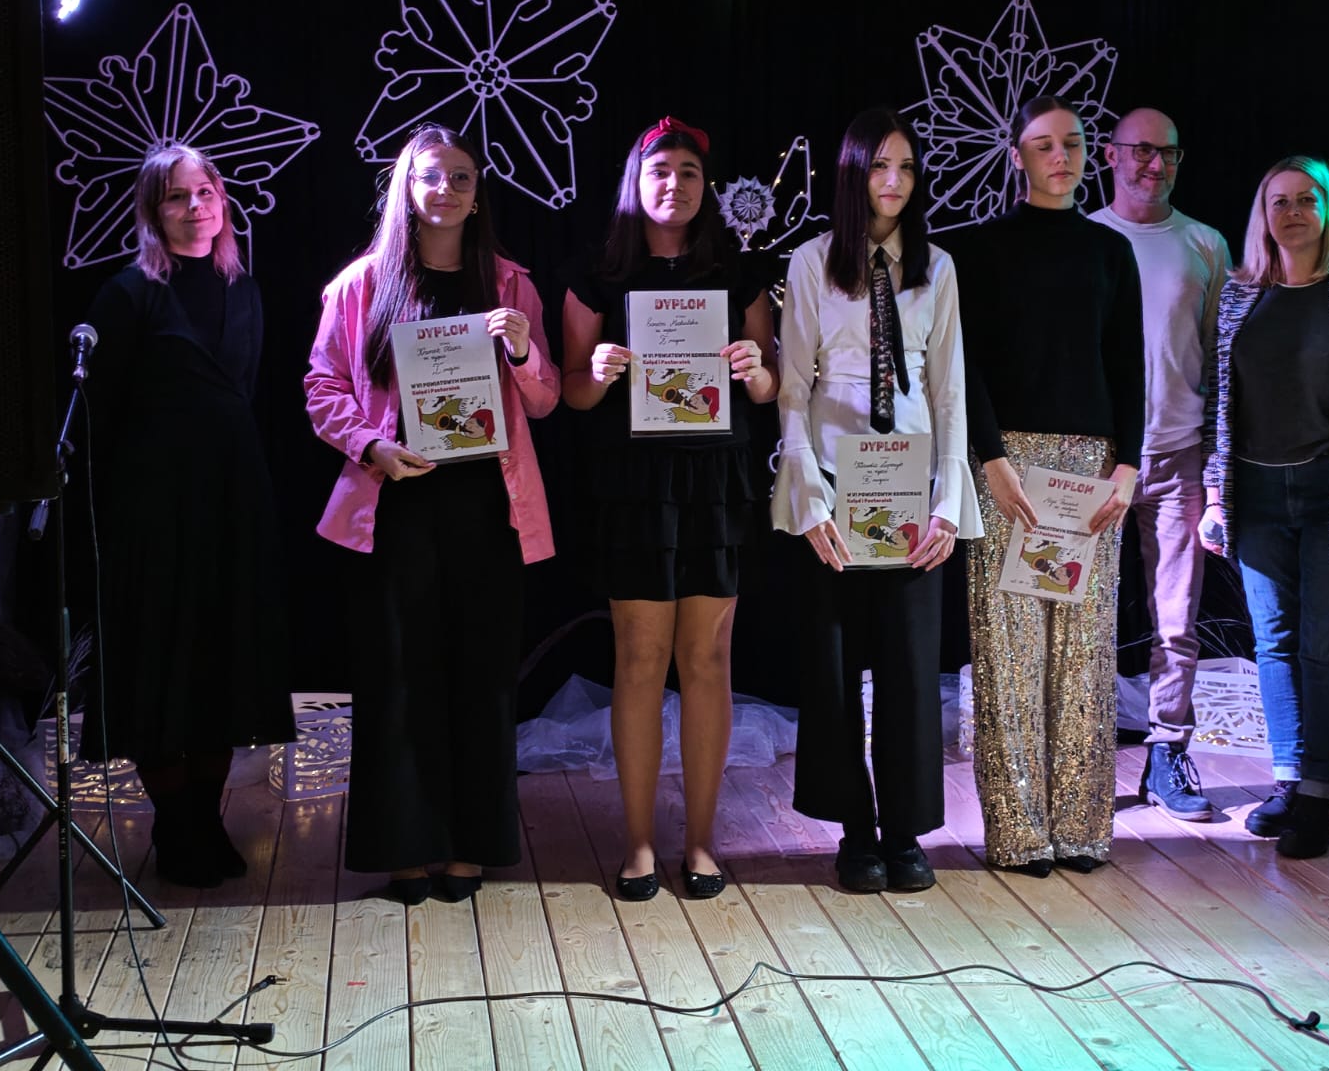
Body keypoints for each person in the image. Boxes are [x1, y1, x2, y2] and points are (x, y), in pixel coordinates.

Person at [305, 123, 560, 903]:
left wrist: (523, 352)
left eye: (460, 177)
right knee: (398, 679)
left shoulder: (511, 285)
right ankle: (406, 850)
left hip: (488, 509)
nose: (445, 189)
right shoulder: (359, 286)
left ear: (477, 196)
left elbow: (545, 400)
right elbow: (322, 389)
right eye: (429, 176)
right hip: (396, 506)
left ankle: (471, 846)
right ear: (405, 189)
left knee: (482, 680)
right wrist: (371, 446)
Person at [561, 117, 778, 902]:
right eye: (660, 170)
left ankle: (702, 842)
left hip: (715, 481)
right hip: (634, 486)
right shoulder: (598, 275)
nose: (674, 184)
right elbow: (572, 395)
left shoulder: (739, 273)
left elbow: (771, 387)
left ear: (705, 187)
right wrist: (596, 370)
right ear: (636, 181)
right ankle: (640, 843)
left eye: (689, 172)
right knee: (639, 662)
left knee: (709, 661)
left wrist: (755, 368)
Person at [771, 106, 982, 894]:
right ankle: (854, 830)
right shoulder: (811, 263)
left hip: (913, 489)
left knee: (909, 670)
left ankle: (903, 832)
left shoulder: (939, 268)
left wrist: (949, 503)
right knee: (834, 670)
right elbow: (792, 389)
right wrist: (808, 499)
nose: (894, 181)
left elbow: (950, 390)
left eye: (907, 167)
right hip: (834, 487)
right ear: (853, 174)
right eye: (879, 166)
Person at [81, 145, 295, 888]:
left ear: (222, 201)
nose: (194, 206)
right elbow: (99, 414)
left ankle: (205, 817)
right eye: (176, 196)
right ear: (153, 210)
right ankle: (175, 825)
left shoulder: (245, 290)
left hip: (232, 502)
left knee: (221, 661)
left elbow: (246, 394)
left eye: (204, 192)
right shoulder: (127, 294)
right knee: (159, 665)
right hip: (154, 509)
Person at [955, 95, 1144, 876]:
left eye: (1072, 143)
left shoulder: (1109, 252)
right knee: (1010, 650)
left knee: (1083, 651)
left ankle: (1080, 825)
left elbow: (1127, 361)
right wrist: (990, 458)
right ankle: (1019, 829)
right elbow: (964, 364)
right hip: (1009, 465)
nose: (1059, 157)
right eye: (1043, 145)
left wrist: (1127, 465)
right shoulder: (979, 249)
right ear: (1018, 156)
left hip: (1091, 465)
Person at [1201, 155, 1329, 859]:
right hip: (1254, 496)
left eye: (1305, 200)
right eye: (1278, 201)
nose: (1292, 213)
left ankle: (1319, 796)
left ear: (1327, 210)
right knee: (1273, 644)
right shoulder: (1239, 297)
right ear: (1262, 216)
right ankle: (1288, 782)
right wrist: (1213, 494)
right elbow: (1219, 402)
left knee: (1324, 646)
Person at [1089, 107, 1231, 822]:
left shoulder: (1205, 244)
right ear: (1110, 155)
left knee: (1176, 621)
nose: (1154, 164)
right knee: (1079, 617)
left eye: (1168, 153)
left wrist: (1214, 467)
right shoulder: (1086, 239)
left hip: (1179, 457)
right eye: (1141, 150)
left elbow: (1219, 358)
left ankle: (1168, 753)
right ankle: (1080, 763)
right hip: (1096, 460)